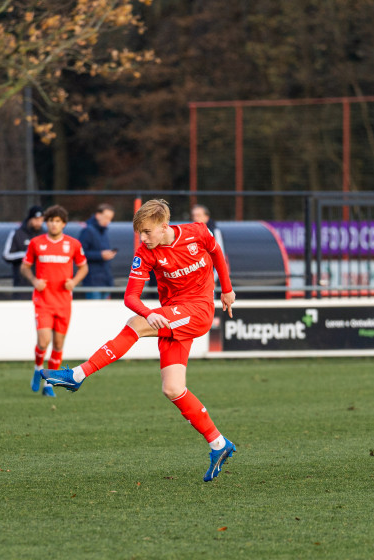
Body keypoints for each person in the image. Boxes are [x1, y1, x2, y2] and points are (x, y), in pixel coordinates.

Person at [41, 199, 237, 481]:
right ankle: (219, 443)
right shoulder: (145, 253)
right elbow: (130, 296)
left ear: (163, 226)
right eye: (140, 233)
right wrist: (149, 312)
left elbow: (217, 253)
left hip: (198, 310)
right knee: (172, 388)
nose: (143, 239)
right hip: (171, 314)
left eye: (147, 232)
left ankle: (77, 374)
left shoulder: (198, 232)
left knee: (136, 325)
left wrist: (227, 290)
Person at [20, 205, 88, 397]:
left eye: (57, 221)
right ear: (46, 223)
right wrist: (34, 280)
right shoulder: (36, 243)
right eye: (50, 220)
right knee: (44, 341)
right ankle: (37, 368)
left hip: (64, 301)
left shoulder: (73, 244)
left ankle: (49, 384)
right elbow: (25, 267)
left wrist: (74, 281)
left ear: (63, 224)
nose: (53, 224)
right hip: (43, 300)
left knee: (58, 344)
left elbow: (83, 268)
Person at [2, 205, 44, 300]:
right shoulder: (17, 234)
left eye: (41, 220)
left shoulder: (44, 235)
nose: (39, 223)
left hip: (40, 285)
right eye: (36, 219)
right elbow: (6, 255)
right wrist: (26, 255)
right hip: (22, 284)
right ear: (30, 219)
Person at [78, 203, 118, 299]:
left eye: (110, 218)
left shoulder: (103, 231)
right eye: (106, 217)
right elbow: (80, 253)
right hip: (93, 282)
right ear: (98, 215)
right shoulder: (87, 231)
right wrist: (100, 255)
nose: (108, 221)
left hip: (105, 281)